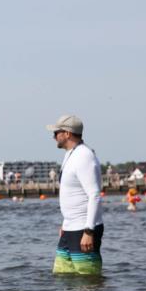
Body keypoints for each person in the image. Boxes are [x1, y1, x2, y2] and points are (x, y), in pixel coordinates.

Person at [48, 115, 104, 276]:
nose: (53, 137)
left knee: (88, 281)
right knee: (62, 276)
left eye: (56, 132)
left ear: (67, 134)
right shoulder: (71, 154)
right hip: (70, 227)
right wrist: (66, 223)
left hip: (83, 229)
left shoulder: (84, 156)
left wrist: (89, 231)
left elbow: (94, 195)